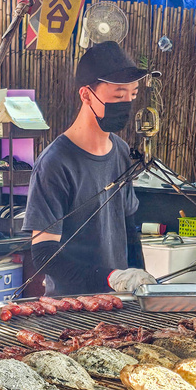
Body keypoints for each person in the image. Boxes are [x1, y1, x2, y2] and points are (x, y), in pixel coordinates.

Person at [23, 41, 158, 296]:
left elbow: (130, 229)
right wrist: (110, 277)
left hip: (119, 303)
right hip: (73, 308)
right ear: (86, 95)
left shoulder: (120, 151)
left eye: (133, 94)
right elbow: (43, 254)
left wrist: (140, 284)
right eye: (119, 95)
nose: (127, 103)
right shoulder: (55, 163)